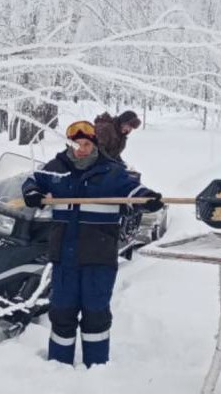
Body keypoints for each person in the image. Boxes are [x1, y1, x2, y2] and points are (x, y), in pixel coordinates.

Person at [22, 120, 163, 367]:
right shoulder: (55, 169)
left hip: (98, 257)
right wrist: (32, 193)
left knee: (95, 314)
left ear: (94, 145)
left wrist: (146, 199)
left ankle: (96, 369)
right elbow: (32, 181)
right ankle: (58, 366)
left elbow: (133, 190)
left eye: (86, 144)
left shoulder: (111, 171)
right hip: (64, 257)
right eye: (76, 144)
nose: (81, 149)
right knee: (62, 312)